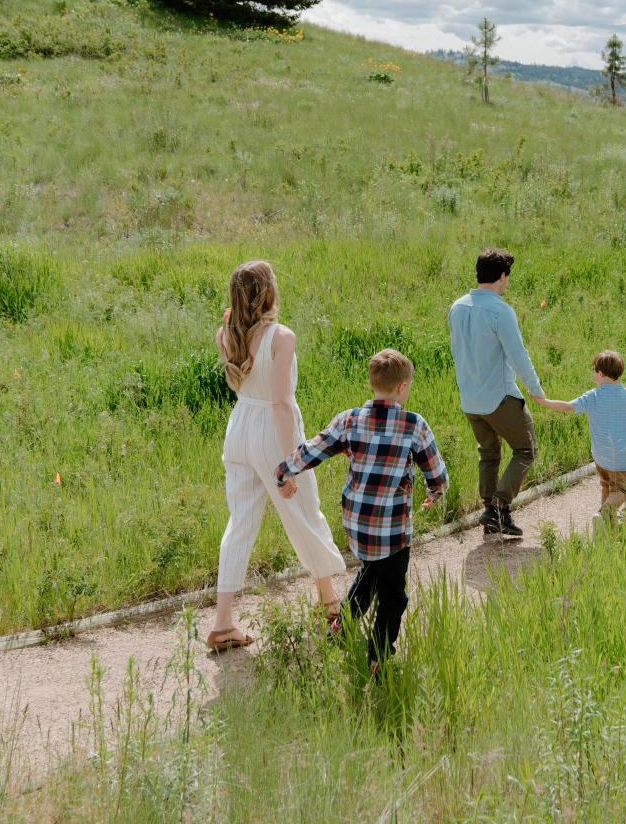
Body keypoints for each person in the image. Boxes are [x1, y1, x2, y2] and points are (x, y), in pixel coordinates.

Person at [274, 348, 447, 664]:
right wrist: (435, 493)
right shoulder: (414, 425)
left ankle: (340, 627)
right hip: (393, 529)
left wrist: (284, 470)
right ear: (401, 387)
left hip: (357, 524)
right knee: (394, 595)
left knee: (371, 571)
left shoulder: (349, 420)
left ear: (373, 383)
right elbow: (435, 472)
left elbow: (314, 449)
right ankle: (378, 658)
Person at [207, 260, 346, 653]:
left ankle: (223, 623)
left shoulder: (227, 334)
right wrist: (291, 463)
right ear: (269, 292)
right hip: (271, 428)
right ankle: (332, 609)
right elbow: (282, 404)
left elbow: (238, 331)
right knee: (304, 513)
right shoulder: (281, 337)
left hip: (239, 428)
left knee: (240, 523)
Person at [448, 247, 545, 537]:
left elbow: (457, 353)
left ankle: (490, 512)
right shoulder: (500, 310)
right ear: (502, 277)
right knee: (526, 450)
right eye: (507, 278)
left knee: (488, 454)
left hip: (470, 399)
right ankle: (498, 508)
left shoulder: (457, 307)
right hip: (499, 398)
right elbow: (518, 356)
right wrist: (536, 391)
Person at [535, 350, 626, 524]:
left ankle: (605, 526)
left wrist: (544, 401)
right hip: (622, 456)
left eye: (594, 370)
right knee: (620, 493)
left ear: (601, 374)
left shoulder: (593, 396)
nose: (593, 374)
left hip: (601, 456)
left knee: (606, 487)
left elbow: (568, 407)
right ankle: (603, 515)